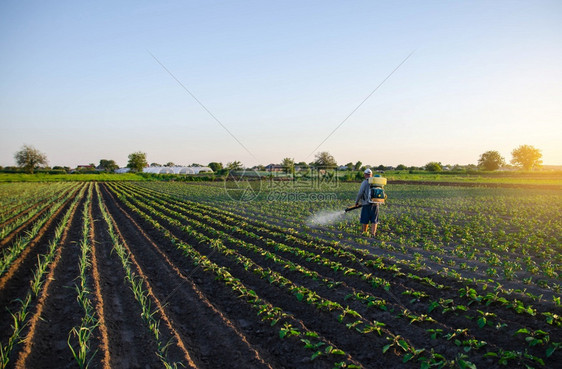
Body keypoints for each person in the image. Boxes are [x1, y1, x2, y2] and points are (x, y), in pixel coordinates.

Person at [355, 168, 379, 237]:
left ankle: (364, 233)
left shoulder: (365, 182)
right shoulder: (376, 182)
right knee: (374, 219)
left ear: (365, 175)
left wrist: (356, 202)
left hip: (366, 203)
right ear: (371, 175)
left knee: (365, 219)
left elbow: (360, 193)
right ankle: (373, 234)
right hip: (376, 204)